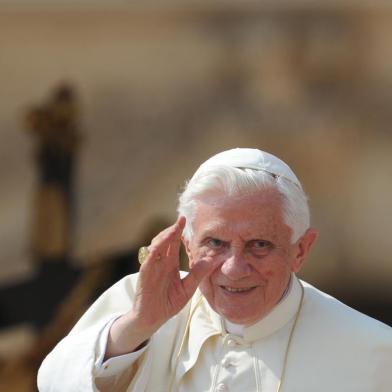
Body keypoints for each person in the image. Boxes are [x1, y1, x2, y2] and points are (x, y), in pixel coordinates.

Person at [38, 148, 392, 391]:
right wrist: (139, 327)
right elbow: (51, 383)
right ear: (187, 245)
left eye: (260, 245)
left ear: (301, 250)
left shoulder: (375, 352)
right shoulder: (138, 303)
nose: (234, 268)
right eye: (215, 244)